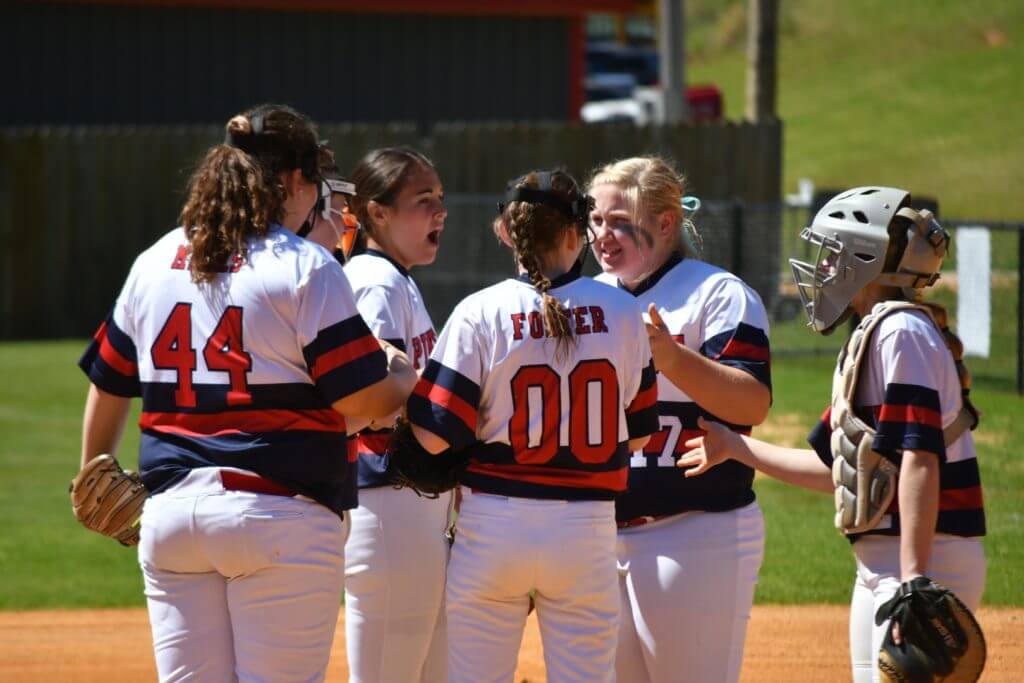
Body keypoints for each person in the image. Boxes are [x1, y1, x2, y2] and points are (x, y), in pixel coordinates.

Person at [77, 103, 416, 683]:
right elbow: (359, 401)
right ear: (295, 180)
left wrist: (92, 469)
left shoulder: (154, 259)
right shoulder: (305, 265)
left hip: (172, 516)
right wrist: (402, 376)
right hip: (279, 514)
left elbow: (108, 383)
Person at [678, 187, 986, 683]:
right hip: (885, 562)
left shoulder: (901, 333)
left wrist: (914, 580)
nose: (821, 266)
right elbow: (836, 468)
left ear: (866, 259)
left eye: (832, 253)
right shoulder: (873, 334)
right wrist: (735, 447)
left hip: (927, 556)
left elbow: (921, 458)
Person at [405, 169, 660, 683]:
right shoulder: (622, 310)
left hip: (494, 523)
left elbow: (432, 435)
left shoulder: (479, 311)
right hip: (586, 527)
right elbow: (638, 433)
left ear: (505, 231)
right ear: (575, 233)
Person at [587, 156, 772, 683]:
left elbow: (751, 403)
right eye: (595, 220)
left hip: (694, 529)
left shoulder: (718, 293)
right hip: (598, 535)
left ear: (665, 223)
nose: (602, 235)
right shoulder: (590, 295)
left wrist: (670, 357)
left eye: (620, 221)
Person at [340, 147, 451, 683]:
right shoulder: (376, 282)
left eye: (440, 198)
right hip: (389, 499)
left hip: (407, 504)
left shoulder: (395, 277)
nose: (439, 211)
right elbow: (375, 395)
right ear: (377, 213)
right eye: (423, 200)